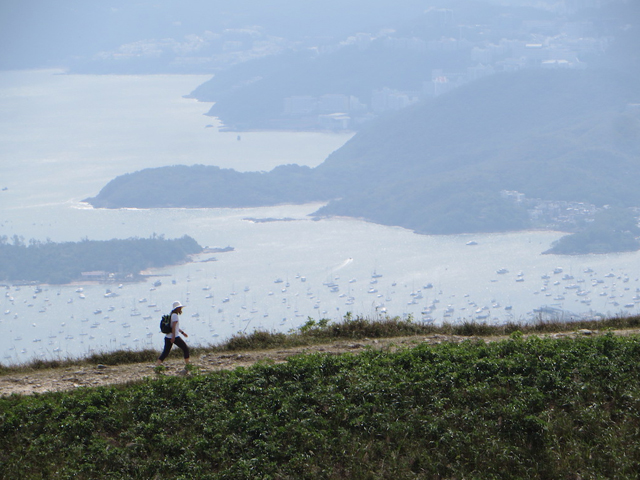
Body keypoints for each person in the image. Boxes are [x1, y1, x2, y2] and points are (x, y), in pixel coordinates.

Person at [156, 301, 190, 366]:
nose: (180, 309)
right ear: (176, 308)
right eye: (179, 307)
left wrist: (182, 333)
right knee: (185, 348)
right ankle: (187, 364)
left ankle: (157, 365)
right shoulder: (175, 316)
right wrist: (173, 337)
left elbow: (175, 327)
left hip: (167, 337)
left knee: (165, 352)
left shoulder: (172, 314)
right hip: (174, 337)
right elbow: (173, 327)